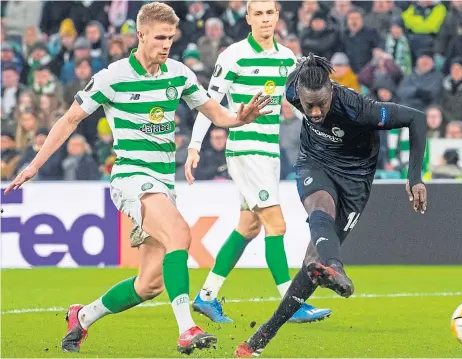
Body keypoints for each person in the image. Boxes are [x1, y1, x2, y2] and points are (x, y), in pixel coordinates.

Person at [4, 2, 272, 355]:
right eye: (160, 37)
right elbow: (69, 120)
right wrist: (35, 165)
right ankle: (186, 329)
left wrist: (240, 118)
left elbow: (213, 112)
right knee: (180, 234)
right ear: (140, 35)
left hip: (163, 183)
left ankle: (82, 317)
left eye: (171, 38)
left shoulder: (178, 73)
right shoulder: (112, 76)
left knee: (149, 285)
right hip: (131, 177)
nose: (166, 45)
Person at [234, 54, 428, 357]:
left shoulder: (358, 108)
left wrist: (414, 176)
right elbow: (300, 76)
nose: (314, 112)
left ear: (331, 90)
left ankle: (260, 338)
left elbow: (417, 118)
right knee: (319, 206)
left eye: (321, 104)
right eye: (307, 104)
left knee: (312, 263)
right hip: (316, 163)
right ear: (297, 93)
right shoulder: (292, 91)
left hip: (355, 179)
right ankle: (336, 267)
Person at [184, 0, 330, 324]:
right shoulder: (233, 56)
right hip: (246, 150)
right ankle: (291, 304)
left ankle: (206, 296)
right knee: (276, 225)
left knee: (248, 226)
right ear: (248, 17)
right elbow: (209, 103)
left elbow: (299, 105)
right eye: (258, 13)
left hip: (269, 152)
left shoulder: (286, 58)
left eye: (270, 13)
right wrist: (194, 145)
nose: (265, 19)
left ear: (277, 16)